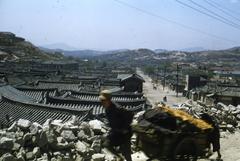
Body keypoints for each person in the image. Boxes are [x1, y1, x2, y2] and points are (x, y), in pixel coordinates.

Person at [99, 90, 133, 161]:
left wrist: (124, 128)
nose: (101, 102)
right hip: (116, 132)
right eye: (101, 100)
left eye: (103, 100)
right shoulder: (107, 108)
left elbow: (130, 114)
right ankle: (120, 158)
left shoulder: (117, 108)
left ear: (108, 100)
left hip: (125, 133)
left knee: (126, 152)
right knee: (106, 144)